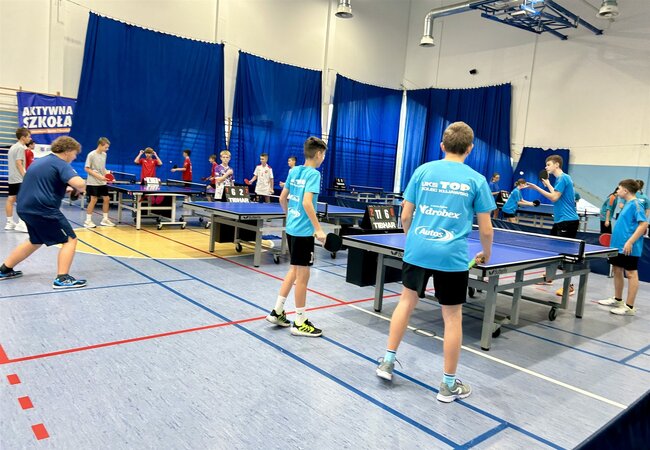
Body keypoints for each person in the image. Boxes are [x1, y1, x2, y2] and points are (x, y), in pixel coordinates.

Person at [375, 121, 495, 403]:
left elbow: (405, 216)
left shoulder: (423, 171)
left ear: (442, 146)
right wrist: (486, 253)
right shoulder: (476, 180)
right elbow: (487, 230)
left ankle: (387, 362)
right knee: (452, 317)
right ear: (470, 149)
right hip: (451, 256)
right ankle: (448, 385)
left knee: (406, 303)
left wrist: (414, 239)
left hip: (418, 249)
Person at [0, 136, 88, 289]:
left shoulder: (40, 161)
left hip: (24, 208)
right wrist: (84, 186)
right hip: (43, 209)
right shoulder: (61, 163)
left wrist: (66, 189)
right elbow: (79, 184)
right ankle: (62, 278)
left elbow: (43, 184)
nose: (74, 157)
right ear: (67, 151)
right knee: (70, 240)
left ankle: (4, 270)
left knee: (35, 240)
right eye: (74, 153)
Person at [265, 137, 327, 337]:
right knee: (302, 277)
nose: (323, 158)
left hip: (292, 228)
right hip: (303, 233)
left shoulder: (294, 171)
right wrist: (318, 229)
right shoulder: (314, 174)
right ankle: (300, 322)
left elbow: (282, 198)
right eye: (323, 154)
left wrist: (290, 215)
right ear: (319, 154)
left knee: (293, 270)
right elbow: (308, 203)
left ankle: (277, 311)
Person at [526, 155, 579, 296]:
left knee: (566, 255)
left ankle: (569, 285)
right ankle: (549, 277)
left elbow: (554, 198)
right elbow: (556, 194)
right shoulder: (561, 179)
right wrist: (548, 184)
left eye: (548, 164)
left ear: (557, 165)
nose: (546, 167)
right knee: (552, 251)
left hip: (568, 221)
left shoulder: (563, 178)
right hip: (560, 221)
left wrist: (537, 188)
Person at [597, 179, 648, 316]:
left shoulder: (636, 204)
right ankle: (618, 299)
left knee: (631, 274)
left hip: (629, 246)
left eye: (619, 188)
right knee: (617, 269)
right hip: (618, 245)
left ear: (625, 190)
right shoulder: (626, 203)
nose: (617, 191)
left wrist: (630, 242)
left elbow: (643, 224)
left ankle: (629, 307)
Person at [84, 137, 115, 228]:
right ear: (100, 145)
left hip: (102, 182)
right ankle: (88, 221)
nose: (107, 149)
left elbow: (103, 168)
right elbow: (87, 168)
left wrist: (108, 175)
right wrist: (99, 177)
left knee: (107, 199)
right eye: (106, 147)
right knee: (93, 200)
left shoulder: (104, 154)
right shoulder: (91, 155)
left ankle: (105, 219)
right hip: (93, 182)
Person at [5, 127, 31, 232]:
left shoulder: (12, 147)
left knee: (11, 199)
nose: (30, 138)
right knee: (23, 200)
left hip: (12, 178)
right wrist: (25, 176)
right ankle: (21, 223)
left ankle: (9, 223)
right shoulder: (20, 148)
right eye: (28, 136)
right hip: (19, 178)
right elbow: (19, 163)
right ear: (23, 137)